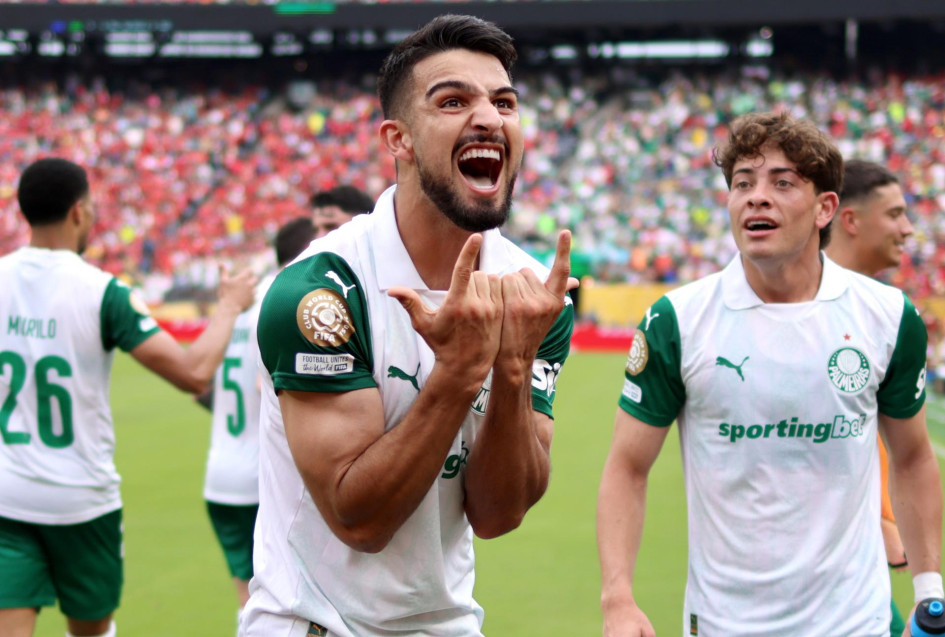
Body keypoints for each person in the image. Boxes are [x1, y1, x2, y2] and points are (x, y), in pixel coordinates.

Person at [241, 14, 576, 636]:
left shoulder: (532, 291)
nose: (489, 118)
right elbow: (359, 520)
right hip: (314, 624)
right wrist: (459, 372)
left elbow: (499, 514)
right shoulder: (319, 290)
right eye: (453, 101)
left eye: (504, 101)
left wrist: (511, 365)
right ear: (398, 139)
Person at [597, 112, 942, 636]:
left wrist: (929, 592)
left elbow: (913, 457)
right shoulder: (678, 321)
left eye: (782, 183)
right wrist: (617, 598)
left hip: (858, 623)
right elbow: (626, 466)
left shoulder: (888, 315)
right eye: (743, 183)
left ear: (826, 207)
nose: (757, 197)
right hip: (723, 625)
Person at [0, 157, 256, 637]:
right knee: (93, 632)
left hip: (7, 497)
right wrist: (228, 307)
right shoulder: (101, 292)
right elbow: (195, 373)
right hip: (81, 499)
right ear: (79, 212)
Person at [199, 217, 316, 620]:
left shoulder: (242, 305)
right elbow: (263, 386)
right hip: (263, 482)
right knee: (291, 610)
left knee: (250, 607)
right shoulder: (287, 300)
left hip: (220, 475)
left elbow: (204, 385)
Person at [825, 158, 915, 636]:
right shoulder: (804, 310)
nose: (909, 229)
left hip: (860, 559)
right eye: (896, 214)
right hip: (823, 569)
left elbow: (902, 449)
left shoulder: (885, 312)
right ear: (850, 220)